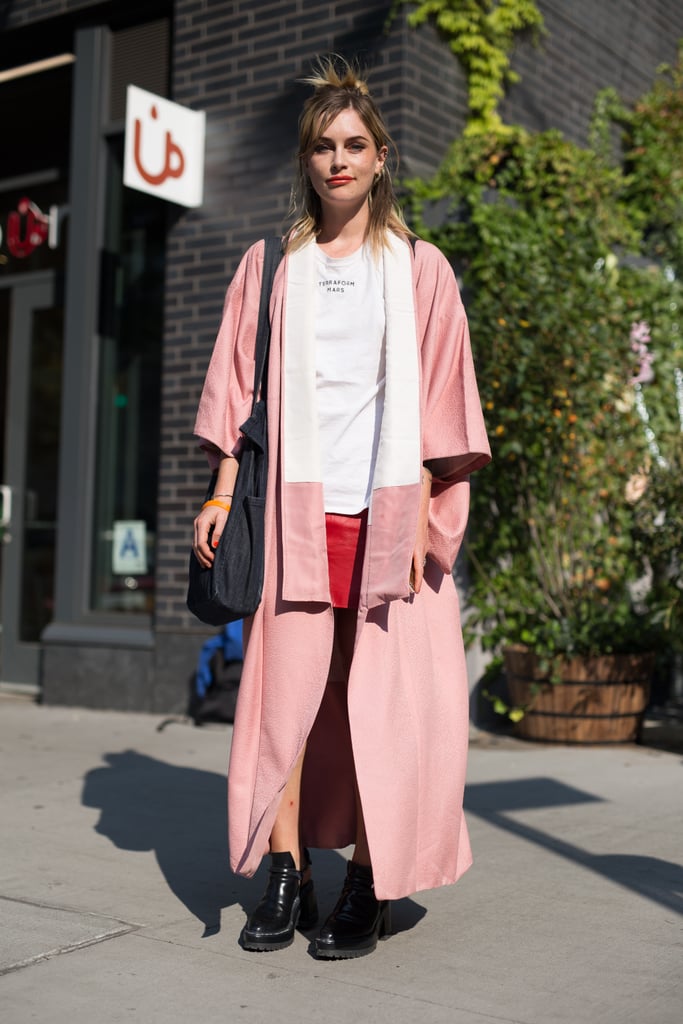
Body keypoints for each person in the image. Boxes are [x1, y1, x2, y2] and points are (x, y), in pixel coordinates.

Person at [192, 57, 491, 960]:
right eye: (323, 145)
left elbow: (446, 408)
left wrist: (433, 524)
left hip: (387, 524)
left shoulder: (419, 270)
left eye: (354, 144)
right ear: (306, 160)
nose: (338, 160)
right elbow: (234, 394)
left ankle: (367, 877)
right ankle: (286, 874)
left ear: (380, 157)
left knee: (377, 708)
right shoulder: (268, 268)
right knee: (289, 701)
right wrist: (215, 494)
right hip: (293, 517)